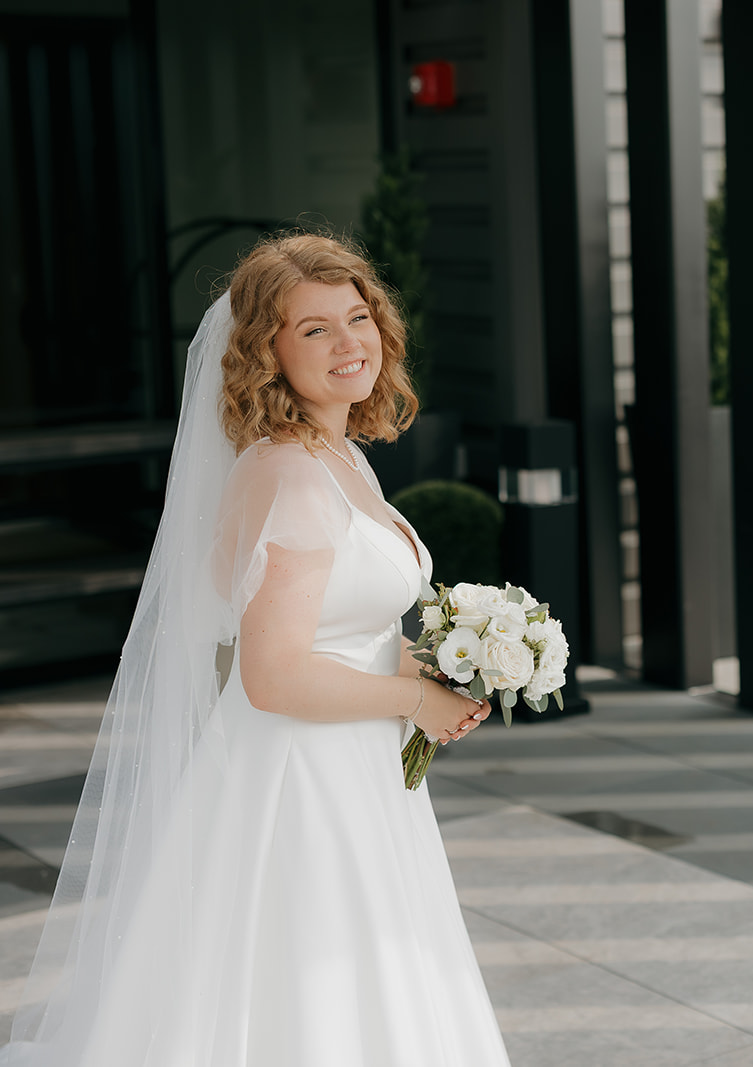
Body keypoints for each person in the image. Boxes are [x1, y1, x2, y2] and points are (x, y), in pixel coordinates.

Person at [0, 233, 511, 1066]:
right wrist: (416, 698)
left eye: (357, 317)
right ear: (264, 354)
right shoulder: (291, 475)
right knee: (312, 984)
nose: (349, 343)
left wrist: (438, 672)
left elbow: (336, 634)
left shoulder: (333, 454)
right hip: (304, 780)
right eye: (314, 330)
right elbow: (273, 675)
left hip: (353, 765)